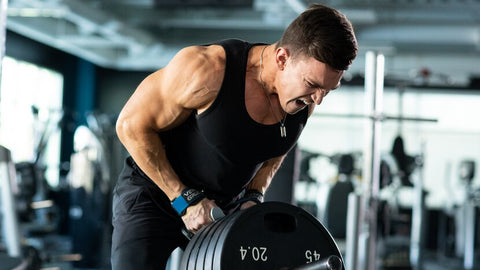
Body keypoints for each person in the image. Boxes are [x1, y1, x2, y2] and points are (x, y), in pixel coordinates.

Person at [111, 3, 357, 269]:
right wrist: (183, 199)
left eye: (328, 91)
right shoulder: (207, 69)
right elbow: (130, 126)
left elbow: (275, 153)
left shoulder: (303, 101)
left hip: (219, 212)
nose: (318, 100)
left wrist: (254, 194)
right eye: (313, 85)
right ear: (282, 59)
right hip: (155, 196)